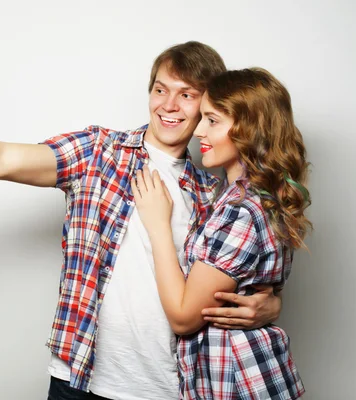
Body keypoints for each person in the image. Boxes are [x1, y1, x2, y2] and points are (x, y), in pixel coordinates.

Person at [0, 42, 283, 400]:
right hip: (81, 380)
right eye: (160, 89)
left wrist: (267, 306)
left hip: (175, 386)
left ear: (208, 104)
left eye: (187, 95)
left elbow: (232, 280)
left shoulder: (215, 193)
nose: (169, 105)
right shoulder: (99, 153)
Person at [133, 67, 310, 399]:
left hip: (242, 383)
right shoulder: (230, 196)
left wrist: (158, 226)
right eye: (201, 118)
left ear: (250, 129)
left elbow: (185, 318)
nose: (198, 130)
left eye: (212, 120)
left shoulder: (241, 209)